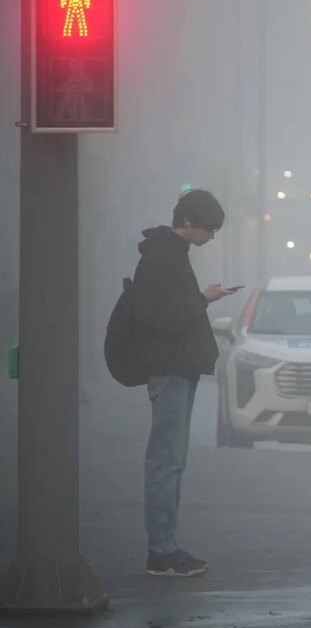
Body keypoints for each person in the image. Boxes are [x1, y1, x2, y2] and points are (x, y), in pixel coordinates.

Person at [130, 189, 234, 577]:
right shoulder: (164, 256)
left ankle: (165, 546)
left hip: (176, 367)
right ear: (189, 222)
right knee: (166, 460)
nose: (212, 236)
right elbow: (158, 315)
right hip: (170, 367)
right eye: (210, 228)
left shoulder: (167, 253)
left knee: (170, 459)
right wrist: (204, 298)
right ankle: (162, 550)